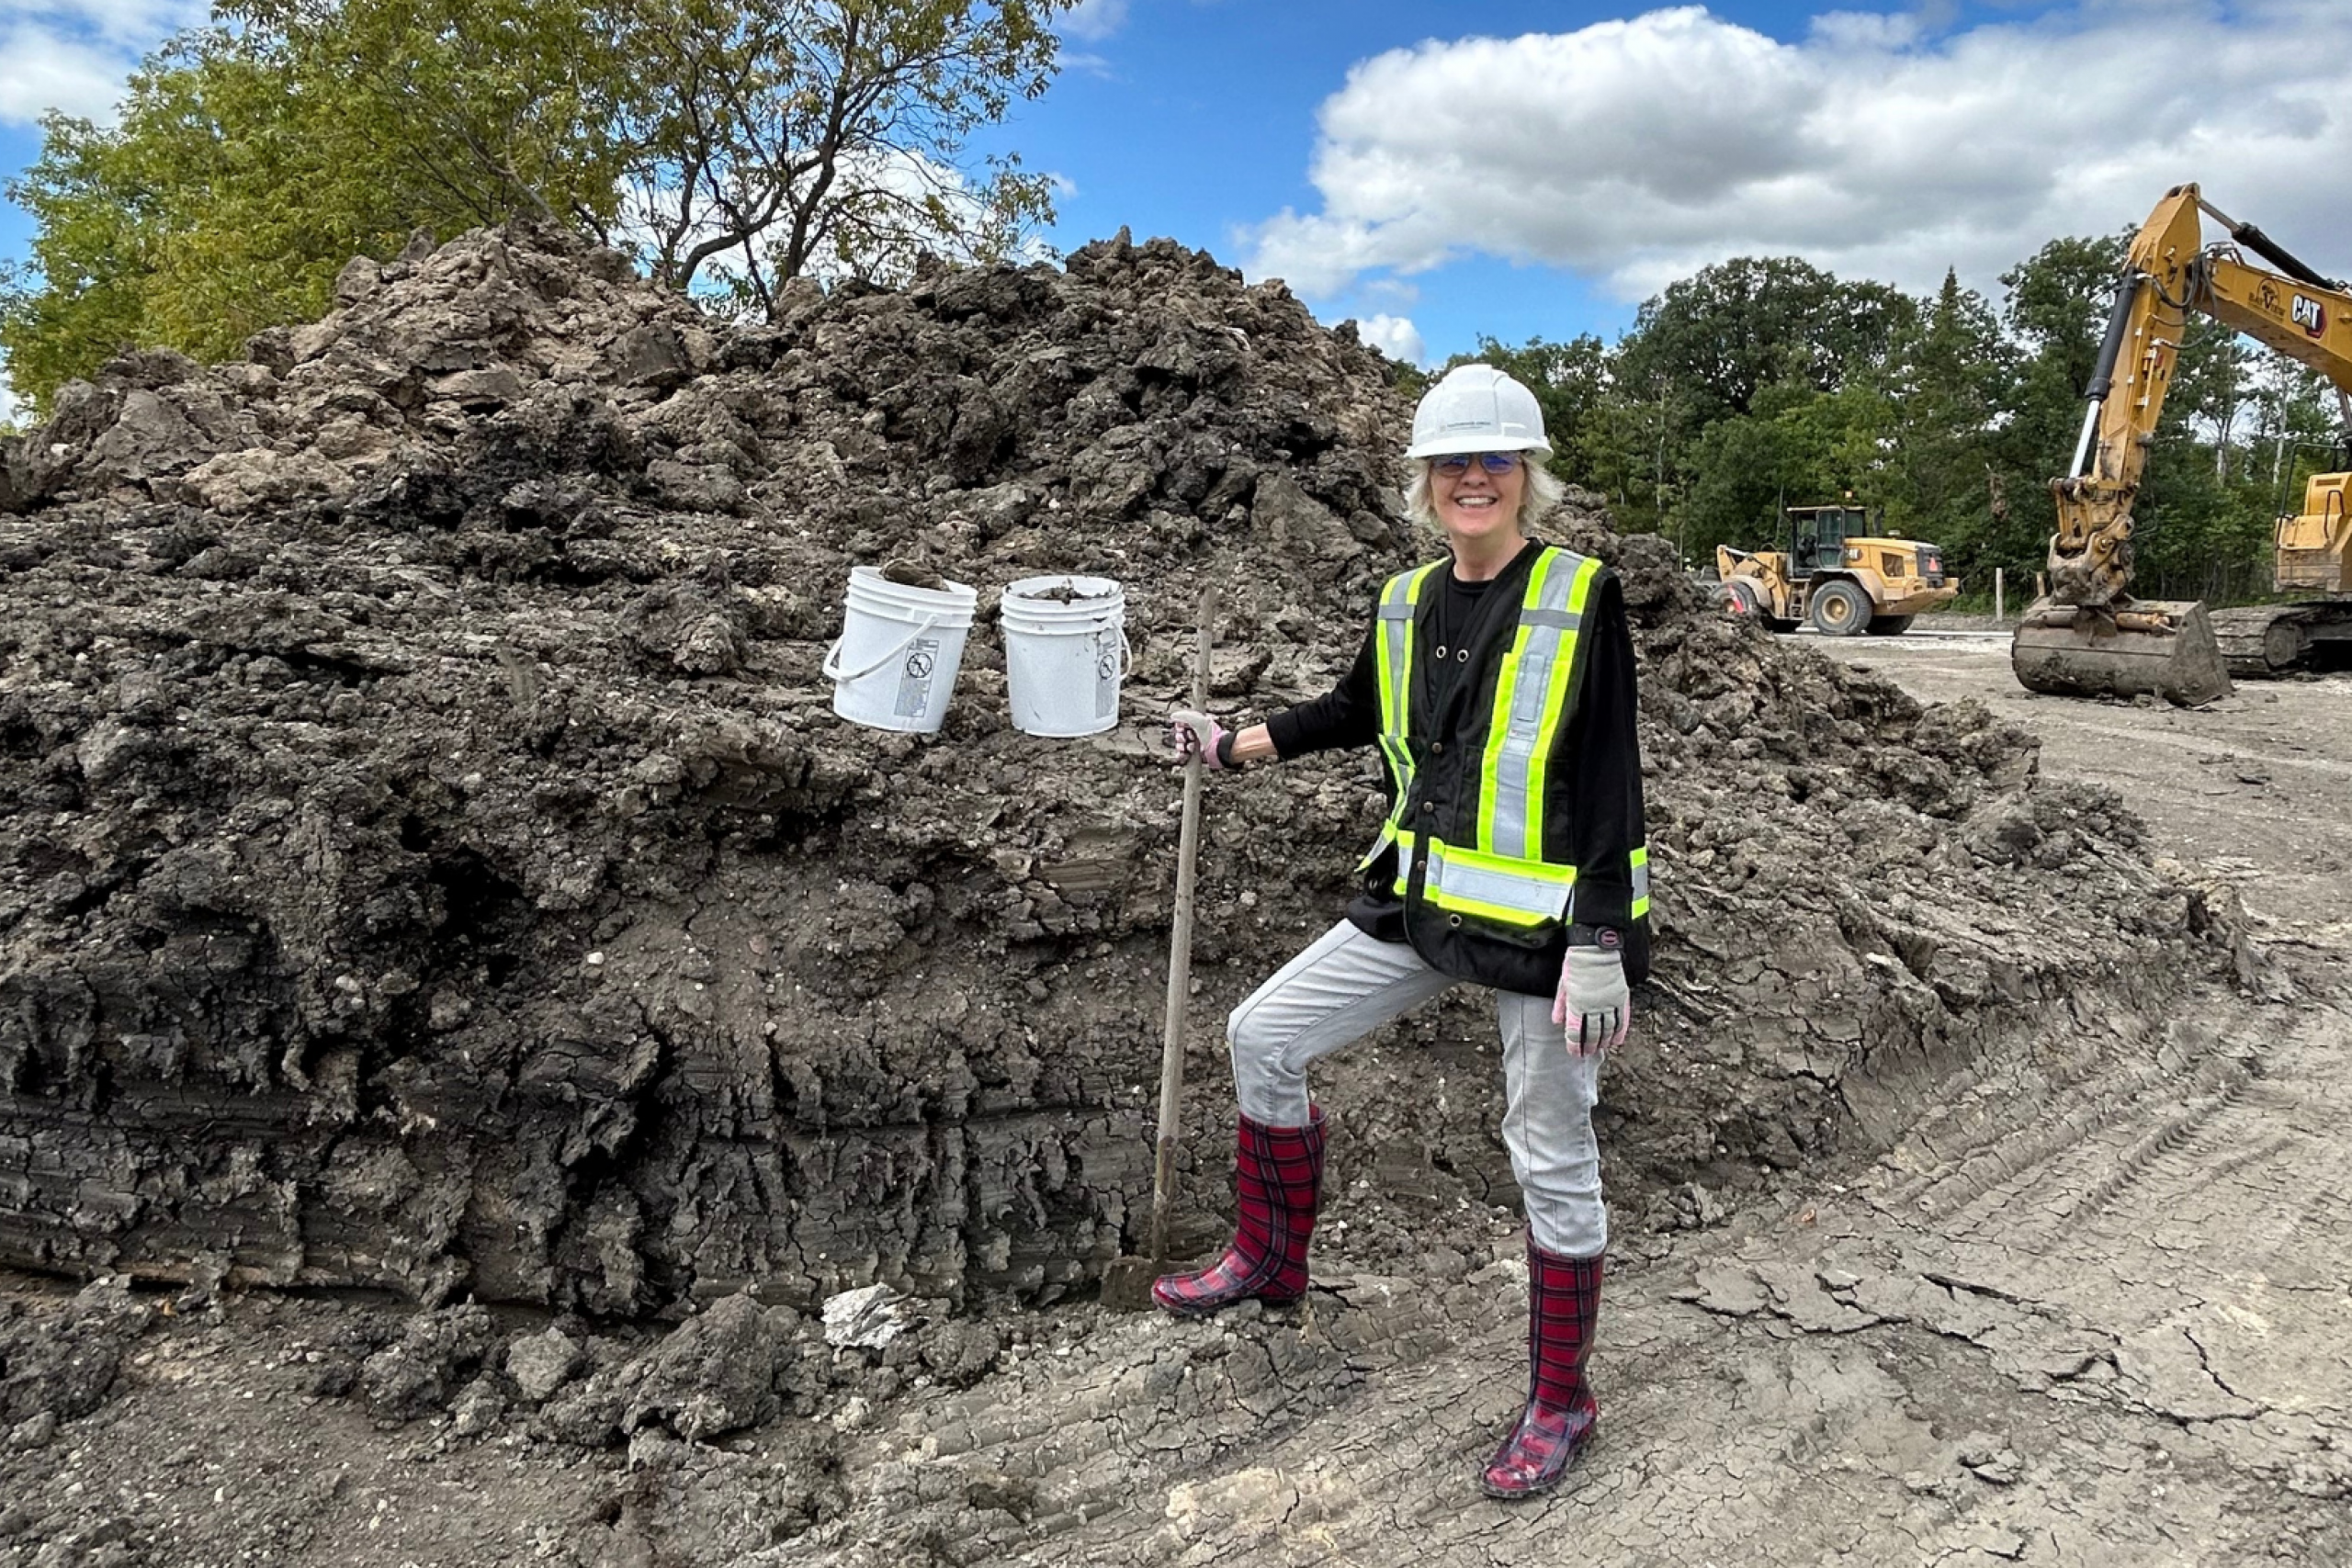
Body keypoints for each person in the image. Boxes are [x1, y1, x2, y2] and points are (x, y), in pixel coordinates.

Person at [1156, 363, 1649, 1501]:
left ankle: (1560, 1400)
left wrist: (1600, 943)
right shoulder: (1404, 599)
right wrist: (1233, 746)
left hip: (1547, 932)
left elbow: (1610, 776)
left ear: (1526, 476)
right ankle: (1269, 1261)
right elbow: (1351, 710)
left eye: (1494, 460)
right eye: (1451, 463)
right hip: (1421, 902)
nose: (1473, 479)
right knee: (1262, 1034)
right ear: (1424, 483)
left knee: (1549, 1147)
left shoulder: (1580, 594)